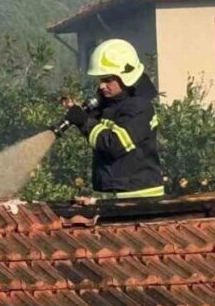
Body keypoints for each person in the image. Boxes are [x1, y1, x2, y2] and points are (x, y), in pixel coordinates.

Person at [62, 39, 164, 198]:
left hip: (138, 199)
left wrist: (84, 121)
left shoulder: (140, 108)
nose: (102, 86)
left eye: (107, 80)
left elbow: (115, 144)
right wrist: (82, 115)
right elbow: (97, 131)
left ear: (126, 76)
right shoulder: (111, 106)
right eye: (100, 80)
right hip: (117, 196)